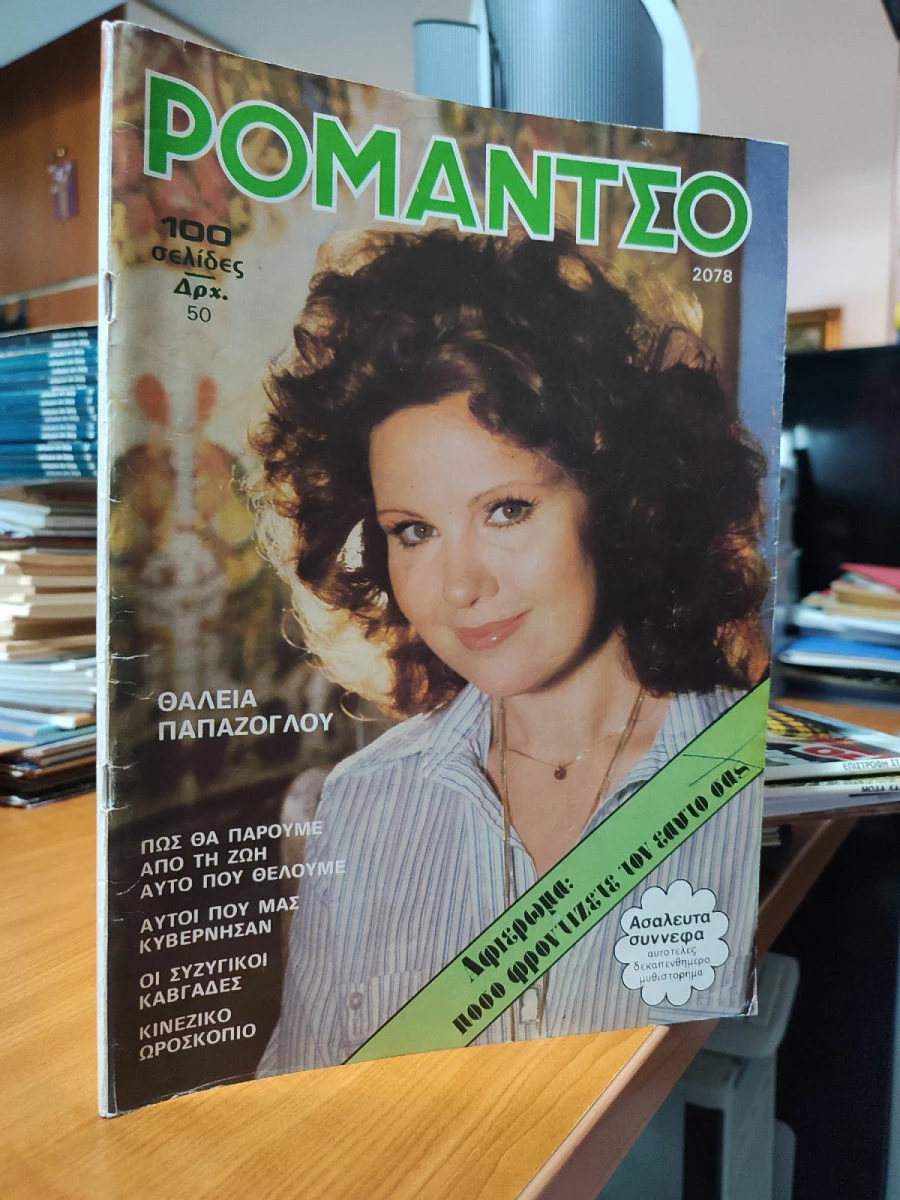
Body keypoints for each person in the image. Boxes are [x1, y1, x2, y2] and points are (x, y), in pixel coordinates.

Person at [251, 227, 770, 1072]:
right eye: (413, 531)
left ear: (616, 500)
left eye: (506, 510)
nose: (460, 586)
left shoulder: (753, 780)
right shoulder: (358, 803)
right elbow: (302, 1103)